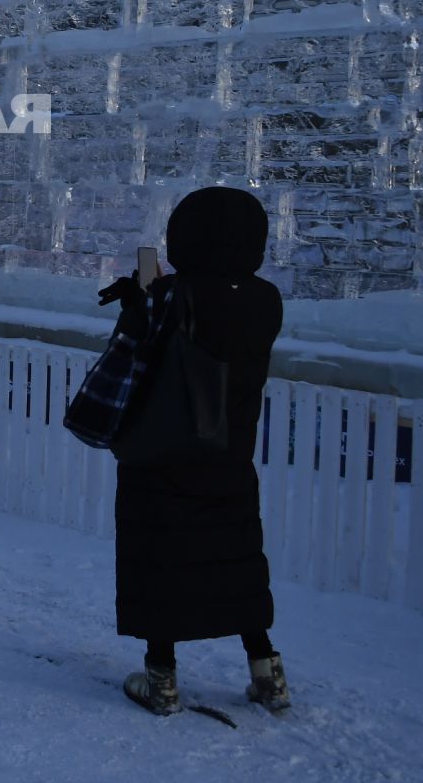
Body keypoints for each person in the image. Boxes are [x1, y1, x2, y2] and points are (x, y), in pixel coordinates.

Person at [101, 186, 289, 717]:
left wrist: (139, 300)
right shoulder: (265, 300)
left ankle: (161, 678)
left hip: (163, 454)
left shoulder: (166, 297)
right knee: (234, 561)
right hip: (230, 454)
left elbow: (132, 357)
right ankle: (268, 673)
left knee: (160, 558)